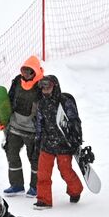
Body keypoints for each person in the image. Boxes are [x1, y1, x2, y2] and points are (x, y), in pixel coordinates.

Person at [31, 74, 84, 209]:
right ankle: (44, 200)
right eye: (42, 88)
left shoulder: (65, 102)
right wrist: (37, 141)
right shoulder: (42, 104)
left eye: (47, 87)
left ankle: (75, 190)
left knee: (65, 171)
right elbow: (39, 123)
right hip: (47, 143)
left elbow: (74, 120)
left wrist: (76, 139)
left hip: (64, 144)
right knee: (43, 173)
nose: (45, 91)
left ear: (54, 87)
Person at [1, 56, 44, 196]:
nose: (25, 73)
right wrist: (4, 119)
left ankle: (35, 187)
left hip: (32, 130)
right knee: (11, 154)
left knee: (34, 159)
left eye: (28, 71)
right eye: (23, 70)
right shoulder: (17, 82)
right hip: (14, 126)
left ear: (35, 72)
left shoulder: (41, 86)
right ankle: (16, 185)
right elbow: (8, 100)